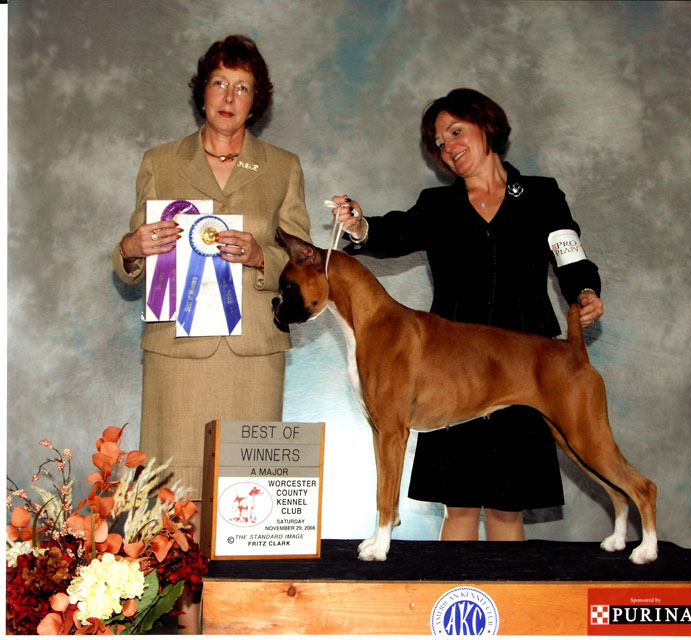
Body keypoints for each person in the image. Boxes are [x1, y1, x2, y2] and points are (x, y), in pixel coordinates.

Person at [330, 87, 604, 543]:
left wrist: (586, 291)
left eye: (456, 131)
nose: (449, 147)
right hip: (449, 368)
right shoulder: (438, 206)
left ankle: (507, 610)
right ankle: (450, 610)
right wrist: (361, 226)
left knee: (506, 510)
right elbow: (390, 232)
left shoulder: (541, 195)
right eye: (439, 142)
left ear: (486, 125)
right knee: (457, 508)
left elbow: (568, 252)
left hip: (525, 367)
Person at [112, 35, 310, 632]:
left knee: (249, 502)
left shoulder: (282, 166)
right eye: (221, 82)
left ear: (257, 102)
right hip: (178, 354)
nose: (230, 97)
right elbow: (131, 255)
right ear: (203, 91)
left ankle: (239, 625)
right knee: (174, 502)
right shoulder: (159, 159)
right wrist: (131, 248)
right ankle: (181, 624)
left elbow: (299, 259)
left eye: (243, 88)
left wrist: (261, 256)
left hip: (252, 354)